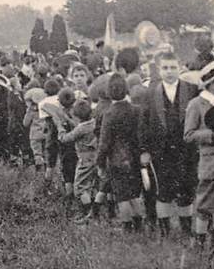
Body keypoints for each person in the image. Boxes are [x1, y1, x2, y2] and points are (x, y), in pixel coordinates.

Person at [139, 51, 198, 238]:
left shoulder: (191, 89)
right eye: (165, 68)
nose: (169, 72)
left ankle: (186, 229)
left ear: (180, 67)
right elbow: (143, 124)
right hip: (160, 151)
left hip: (186, 150)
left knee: (186, 189)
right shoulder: (150, 93)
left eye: (173, 67)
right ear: (159, 69)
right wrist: (144, 151)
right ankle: (165, 231)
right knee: (162, 190)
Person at [183, 60, 214, 259]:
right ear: (213, 83)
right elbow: (188, 135)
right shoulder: (196, 104)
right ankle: (199, 247)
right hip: (210, 162)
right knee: (204, 206)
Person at [96, 73, 145, 232]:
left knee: (122, 196)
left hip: (116, 160)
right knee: (134, 195)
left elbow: (104, 143)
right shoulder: (136, 110)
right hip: (135, 157)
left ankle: (127, 227)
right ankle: (139, 224)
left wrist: (100, 163)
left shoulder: (109, 114)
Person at [61, 99, 99, 222]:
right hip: (96, 156)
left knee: (80, 187)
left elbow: (66, 138)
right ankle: (94, 212)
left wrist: (60, 129)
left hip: (84, 158)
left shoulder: (80, 128)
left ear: (77, 116)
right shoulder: (94, 122)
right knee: (92, 184)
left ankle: (87, 213)